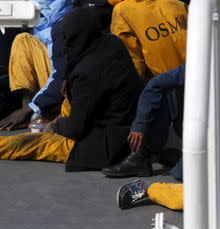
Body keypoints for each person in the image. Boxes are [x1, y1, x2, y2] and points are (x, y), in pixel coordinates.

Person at [0, 7, 143, 172]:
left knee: (25, 144)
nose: (65, 44)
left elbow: (75, 128)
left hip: (105, 144)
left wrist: (54, 126)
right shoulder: (112, 43)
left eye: (66, 38)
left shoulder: (86, 74)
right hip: (125, 126)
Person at [102, 49, 220, 179]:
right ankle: (142, 155)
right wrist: (140, 124)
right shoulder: (200, 68)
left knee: (189, 176)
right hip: (203, 137)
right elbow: (155, 84)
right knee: (168, 91)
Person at [0, 0, 72, 131]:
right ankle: (30, 112)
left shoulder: (59, 20)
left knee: (22, 40)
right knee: (22, 39)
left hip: (62, 92)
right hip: (46, 92)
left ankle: (31, 113)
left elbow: (60, 74)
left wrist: (31, 108)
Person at [109, 0, 188, 82]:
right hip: (195, 75)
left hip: (163, 84)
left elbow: (132, 59)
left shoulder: (121, 11)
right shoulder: (177, 3)